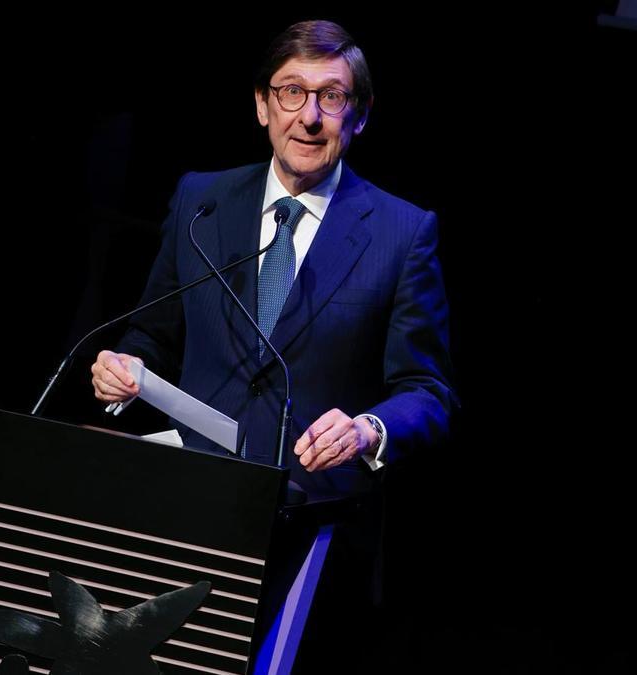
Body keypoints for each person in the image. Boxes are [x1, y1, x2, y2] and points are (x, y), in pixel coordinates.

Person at [89, 20, 456, 672]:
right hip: (184, 505)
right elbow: (152, 332)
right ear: (262, 105)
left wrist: (370, 429)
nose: (309, 117)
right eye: (291, 92)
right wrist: (124, 369)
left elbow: (428, 393)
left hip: (313, 532)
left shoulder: (403, 233)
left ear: (360, 116)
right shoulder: (202, 199)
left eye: (332, 97)